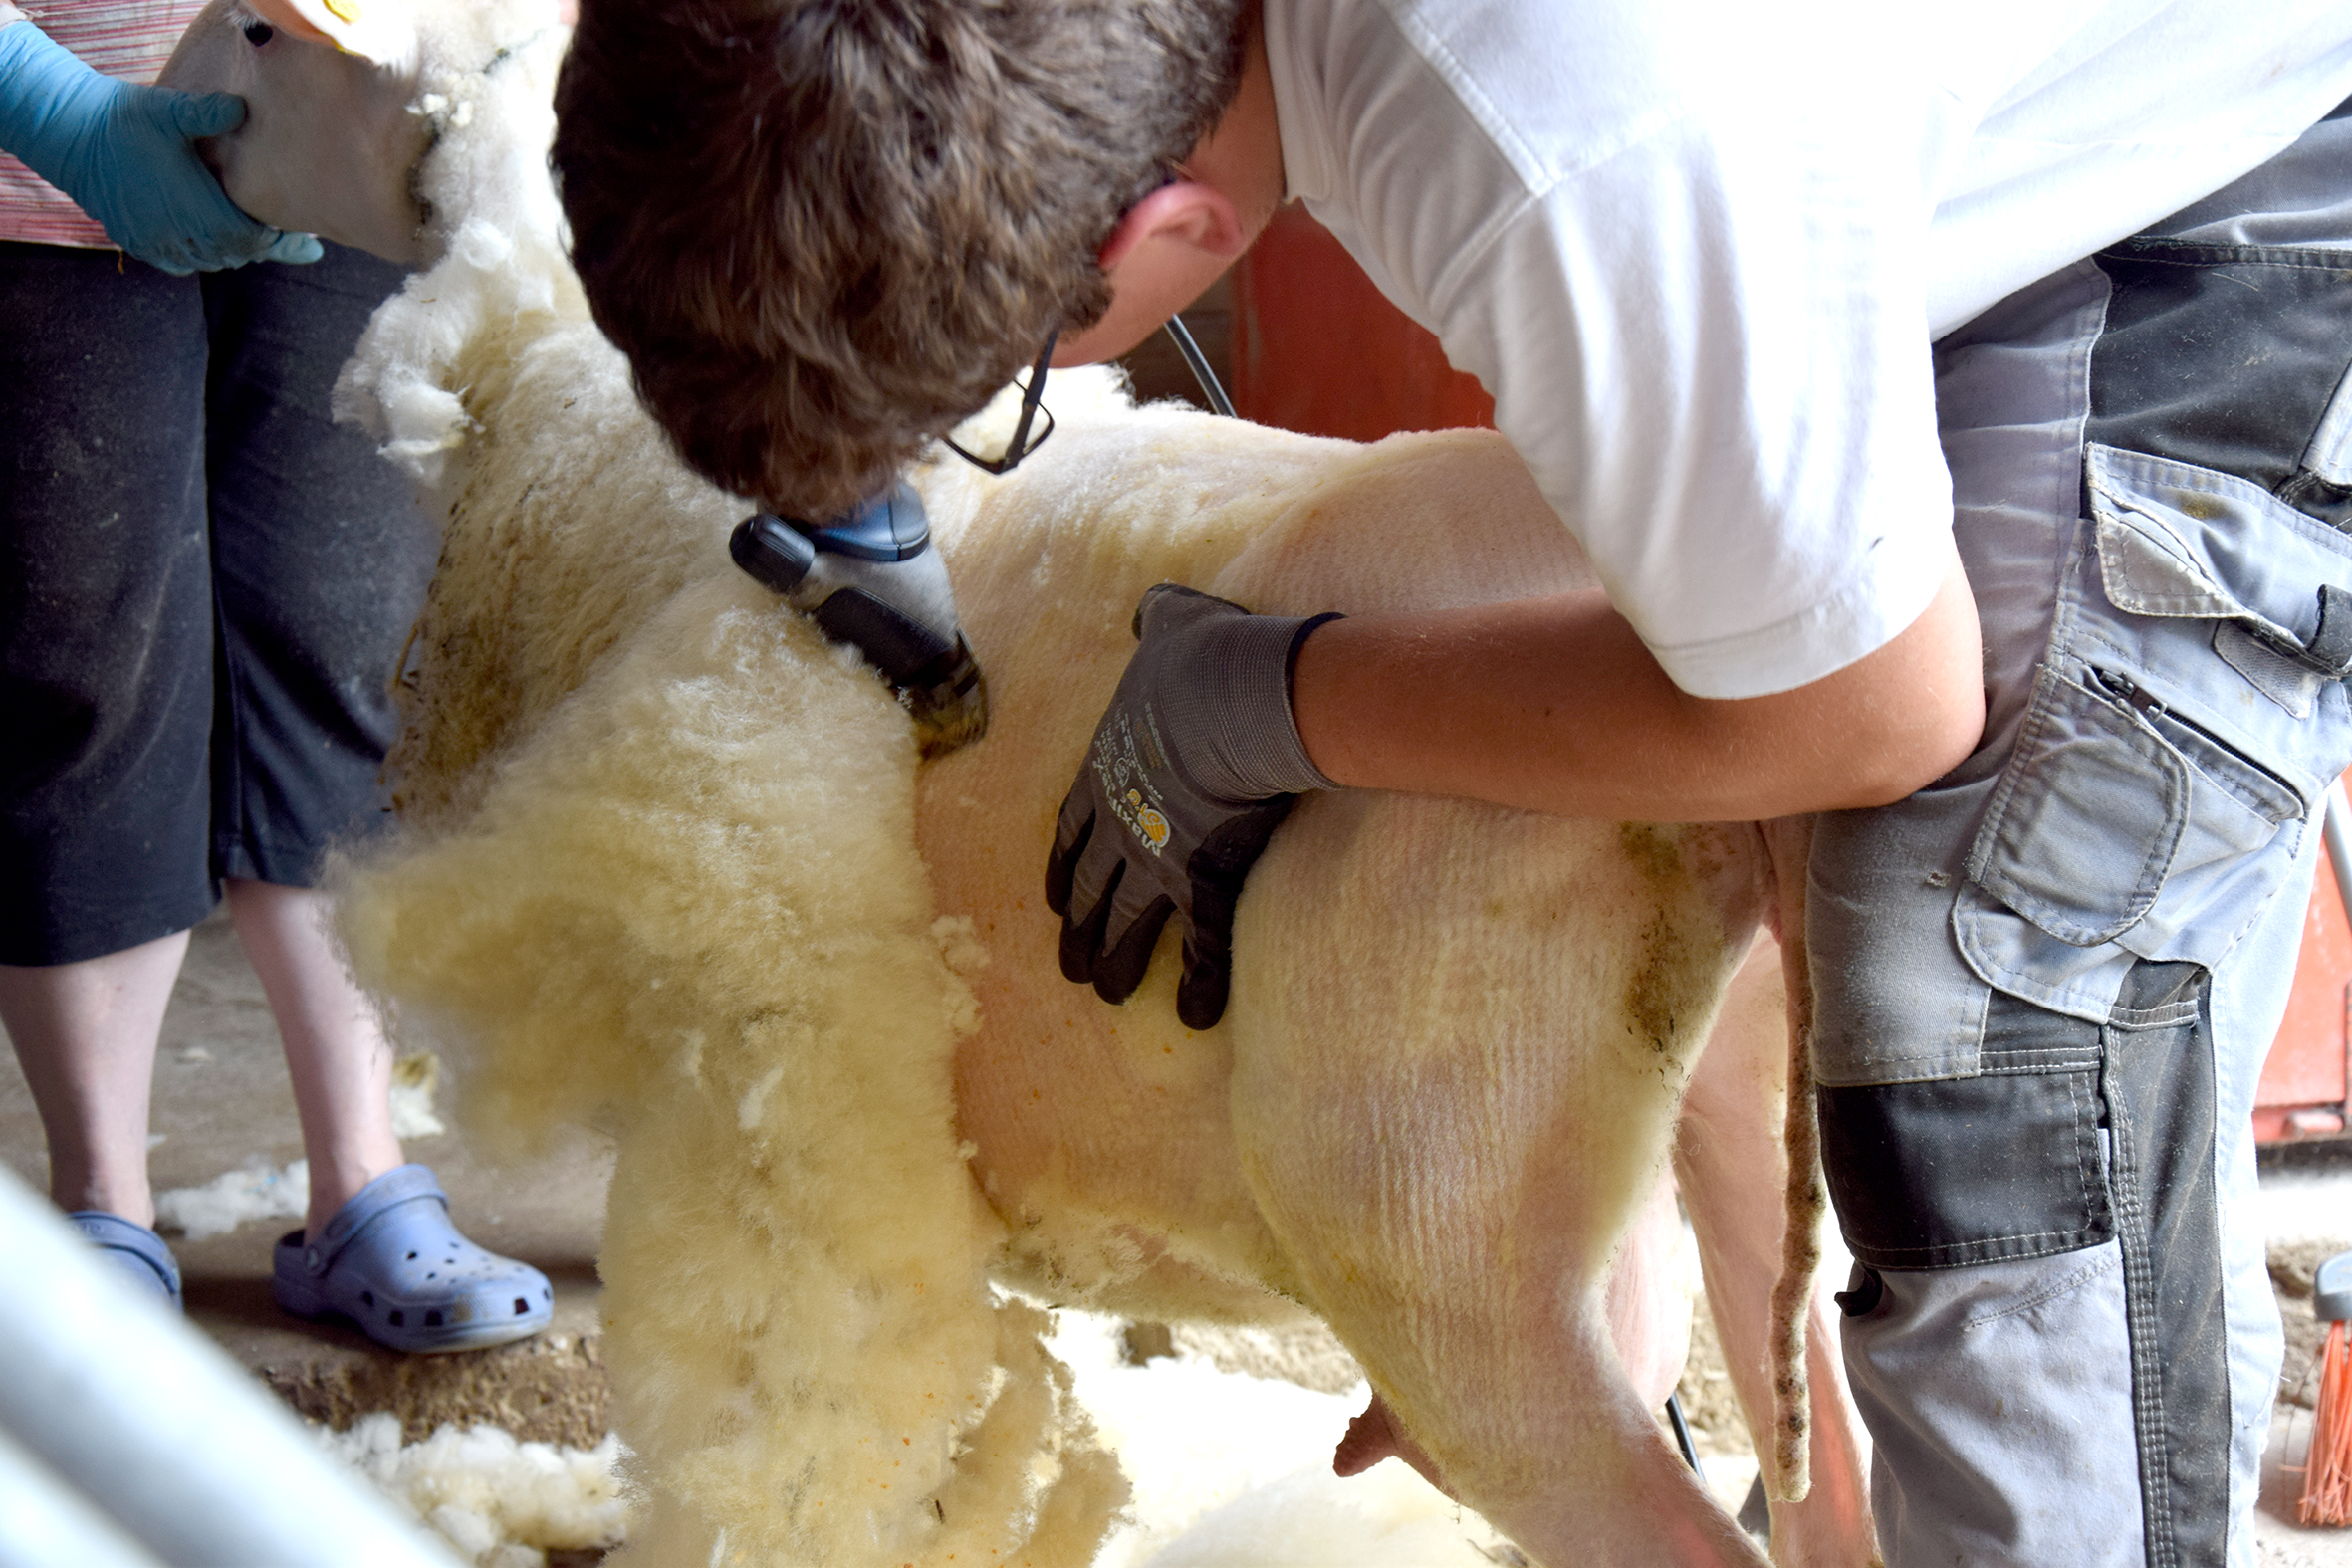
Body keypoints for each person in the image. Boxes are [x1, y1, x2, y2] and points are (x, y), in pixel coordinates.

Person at [549, 0, 2352, 1558]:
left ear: (1163, 227)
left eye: (1010, 387)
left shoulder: (1564, 150)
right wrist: (1503, 1271)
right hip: (2060, 114)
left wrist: (1265, 703)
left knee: (1970, 1003)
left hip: (2244, 212)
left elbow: (1872, 714)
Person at [0, 0, 552, 1354]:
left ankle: (360, 1179)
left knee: (343, 632)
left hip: (354, 122)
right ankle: (101, 1210)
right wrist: (45, 107)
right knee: (85, 659)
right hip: (42, 139)